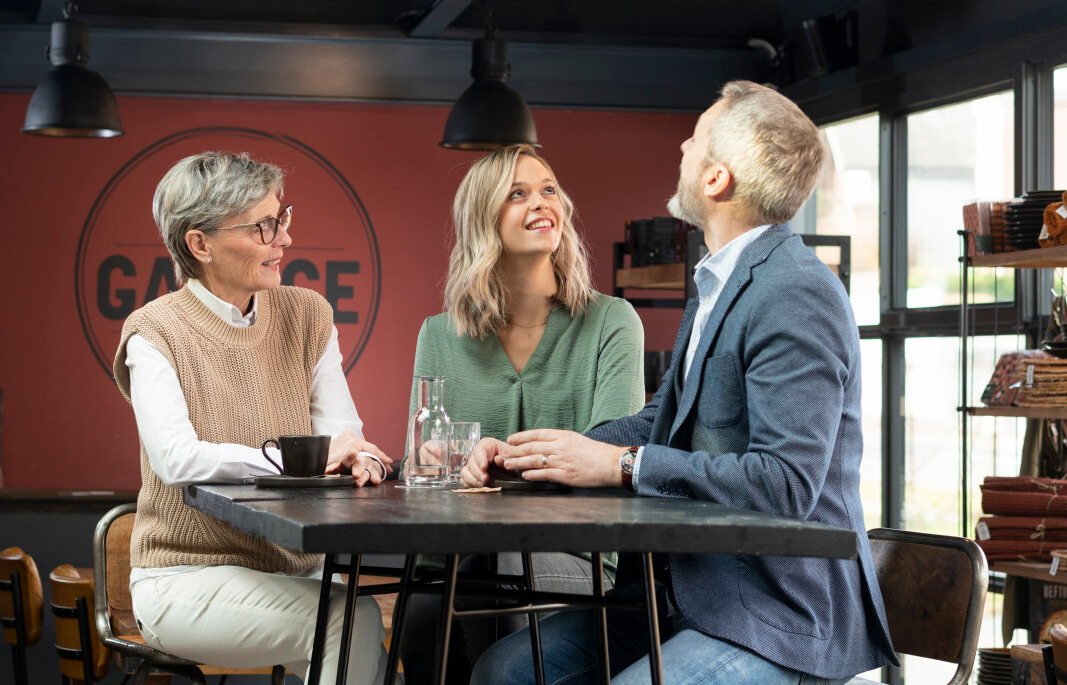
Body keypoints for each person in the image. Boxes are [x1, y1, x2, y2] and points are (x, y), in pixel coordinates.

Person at [463, 82, 898, 685]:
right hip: (689, 600)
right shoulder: (722, 284)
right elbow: (660, 422)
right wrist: (530, 457)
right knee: (504, 671)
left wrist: (623, 465)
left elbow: (785, 484)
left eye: (695, 138)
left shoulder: (794, 292)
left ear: (717, 180)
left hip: (780, 616)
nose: (684, 145)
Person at [112, 151, 395, 685]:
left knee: (377, 637)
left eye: (282, 218)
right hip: (182, 580)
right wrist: (302, 458)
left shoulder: (307, 313)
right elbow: (176, 460)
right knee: (351, 620)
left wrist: (356, 455)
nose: (284, 239)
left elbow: (341, 435)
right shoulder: (155, 332)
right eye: (264, 227)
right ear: (200, 244)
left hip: (298, 571)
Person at [398, 143, 645, 683]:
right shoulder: (438, 334)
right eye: (518, 194)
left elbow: (610, 454)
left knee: (509, 564)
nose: (542, 203)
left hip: (576, 556)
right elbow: (415, 467)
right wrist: (436, 462)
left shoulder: (613, 323)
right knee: (422, 610)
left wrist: (495, 460)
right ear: (484, 221)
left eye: (549, 190)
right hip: (457, 558)